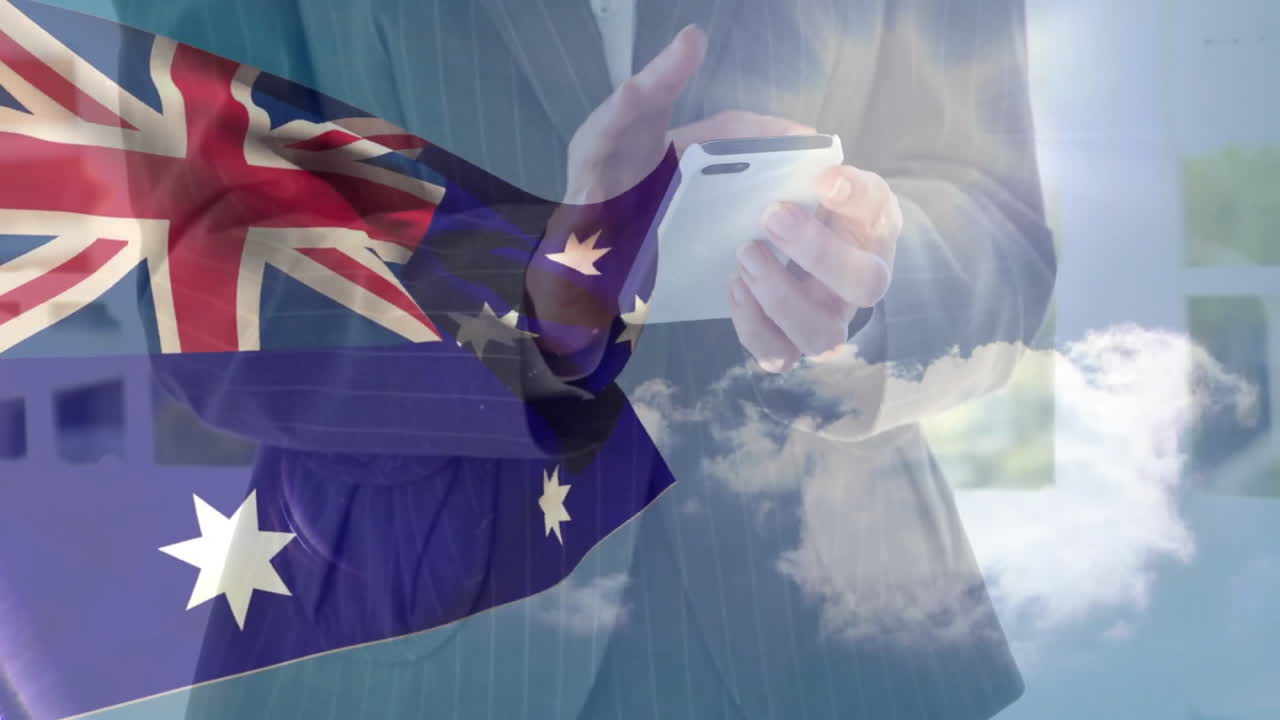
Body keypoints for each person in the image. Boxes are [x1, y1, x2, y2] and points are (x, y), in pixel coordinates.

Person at [103, 1, 1056, 718]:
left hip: (829, 631)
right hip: (410, 648)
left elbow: (994, 218)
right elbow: (210, 294)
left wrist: (868, 284)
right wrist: (528, 313)